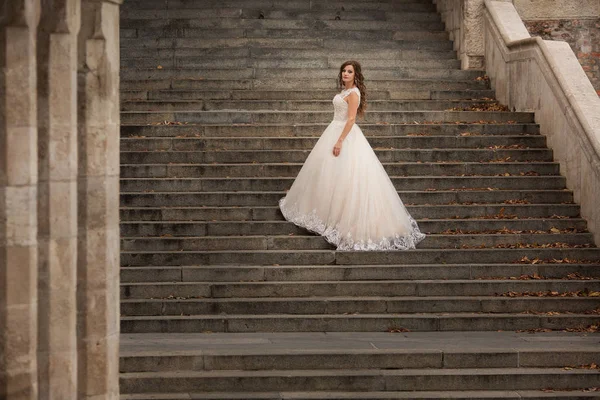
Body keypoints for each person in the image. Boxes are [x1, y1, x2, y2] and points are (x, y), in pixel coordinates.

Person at [279, 60, 425, 251]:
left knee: (348, 177)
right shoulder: (343, 93)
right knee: (327, 175)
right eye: (343, 71)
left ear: (355, 75)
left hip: (345, 135)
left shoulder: (354, 93)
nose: (345, 74)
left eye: (349, 71)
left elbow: (351, 119)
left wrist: (339, 141)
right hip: (333, 129)